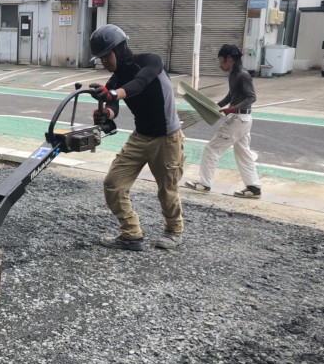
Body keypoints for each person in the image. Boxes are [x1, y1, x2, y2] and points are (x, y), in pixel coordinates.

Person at [89, 24, 185, 251]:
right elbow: (114, 105)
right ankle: (131, 235)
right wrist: (106, 112)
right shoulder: (115, 80)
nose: (104, 62)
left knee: (167, 189)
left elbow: (139, 83)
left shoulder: (151, 61)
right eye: (100, 58)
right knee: (113, 183)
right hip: (140, 137)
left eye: (106, 55)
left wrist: (113, 93)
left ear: (120, 49)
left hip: (168, 137)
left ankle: (174, 230)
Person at [183, 44, 261, 199]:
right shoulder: (234, 74)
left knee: (212, 148)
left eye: (221, 60)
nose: (220, 65)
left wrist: (232, 109)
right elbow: (230, 97)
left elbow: (251, 97)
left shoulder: (242, 75)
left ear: (230, 59)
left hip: (239, 119)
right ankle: (253, 188)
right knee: (243, 152)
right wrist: (214, 107)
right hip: (242, 119)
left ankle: (204, 184)